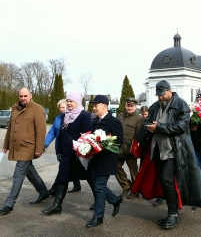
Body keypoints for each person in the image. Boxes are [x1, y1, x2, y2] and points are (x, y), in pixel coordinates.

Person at [132, 80, 201, 230]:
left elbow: (182, 126)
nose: (160, 97)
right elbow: (147, 122)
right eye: (158, 95)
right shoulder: (156, 106)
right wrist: (139, 138)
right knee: (161, 180)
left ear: (170, 90)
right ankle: (171, 211)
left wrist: (159, 127)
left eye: (162, 94)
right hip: (156, 149)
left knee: (167, 179)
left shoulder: (181, 104)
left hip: (173, 150)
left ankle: (173, 214)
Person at [0, 87, 49, 215]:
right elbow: (10, 128)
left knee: (18, 174)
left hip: (28, 147)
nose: (23, 98)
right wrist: (5, 145)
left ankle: (9, 204)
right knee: (29, 170)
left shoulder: (37, 109)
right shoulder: (15, 108)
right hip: (17, 146)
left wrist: (39, 149)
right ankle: (44, 192)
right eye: (21, 96)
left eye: (25, 96)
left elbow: (41, 131)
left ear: (30, 95)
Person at [42, 92, 93, 215]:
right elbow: (61, 135)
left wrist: (82, 152)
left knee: (92, 179)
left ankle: (112, 199)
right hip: (66, 154)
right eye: (68, 101)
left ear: (77, 102)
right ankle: (57, 205)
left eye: (71, 101)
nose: (69, 103)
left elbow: (88, 136)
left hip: (79, 156)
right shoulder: (66, 115)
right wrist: (59, 151)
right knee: (61, 178)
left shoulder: (84, 116)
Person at [85, 95, 124, 228]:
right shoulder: (94, 122)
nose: (94, 108)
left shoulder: (114, 122)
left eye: (96, 105)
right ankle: (115, 200)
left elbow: (119, 142)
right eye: (93, 105)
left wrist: (104, 144)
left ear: (104, 106)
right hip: (95, 159)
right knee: (95, 184)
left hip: (107, 159)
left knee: (100, 187)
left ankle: (98, 217)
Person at [44, 99, 81, 196]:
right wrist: (45, 143)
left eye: (63, 107)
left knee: (64, 170)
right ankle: (76, 185)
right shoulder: (58, 118)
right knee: (67, 168)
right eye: (60, 107)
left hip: (71, 148)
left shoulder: (74, 117)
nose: (61, 109)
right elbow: (52, 132)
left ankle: (54, 189)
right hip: (60, 148)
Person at [116, 98, 144, 199]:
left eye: (132, 106)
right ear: (125, 106)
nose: (130, 107)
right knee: (115, 168)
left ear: (135, 107)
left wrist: (136, 149)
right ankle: (126, 186)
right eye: (128, 105)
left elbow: (139, 134)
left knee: (134, 172)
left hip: (130, 149)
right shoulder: (120, 116)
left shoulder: (139, 119)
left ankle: (135, 191)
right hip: (119, 148)